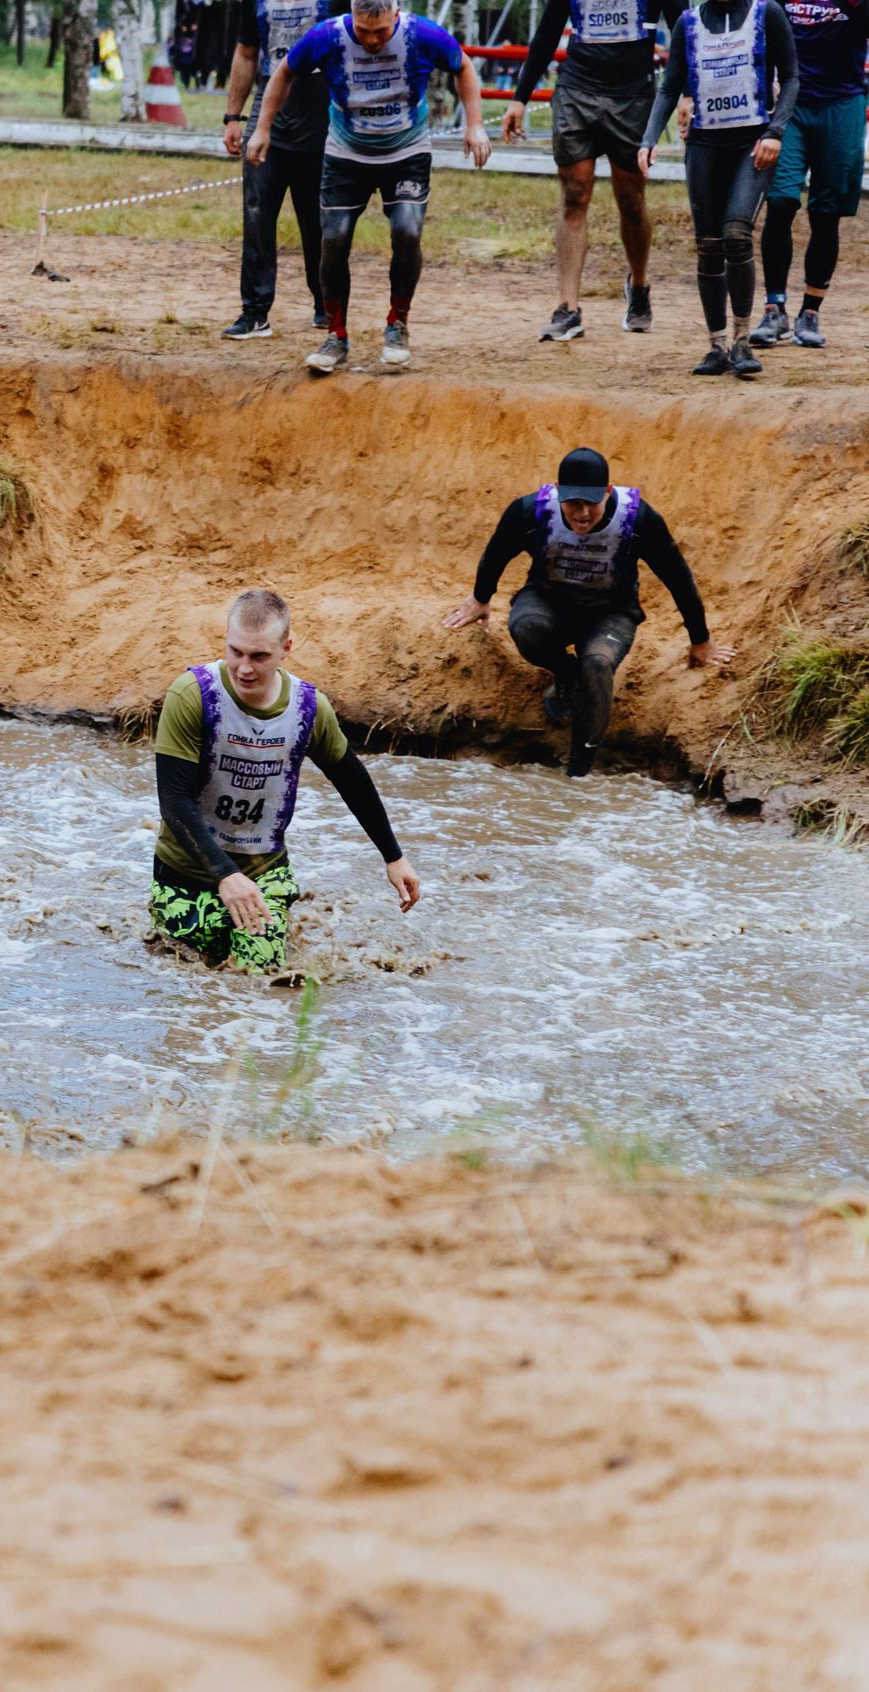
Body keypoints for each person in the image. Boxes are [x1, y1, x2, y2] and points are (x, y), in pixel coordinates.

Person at [150, 589, 420, 974]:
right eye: (235, 652)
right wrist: (225, 874)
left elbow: (350, 778)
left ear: (286, 648)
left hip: (264, 870)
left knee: (256, 979)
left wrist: (394, 856)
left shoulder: (308, 709)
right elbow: (173, 799)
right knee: (185, 976)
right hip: (185, 870)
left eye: (258, 656)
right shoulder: (192, 695)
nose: (244, 668)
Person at [444, 447, 736, 776]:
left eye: (592, 503)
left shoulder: (637, 519)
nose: (582, 513)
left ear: (609, 491)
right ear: (557, 489)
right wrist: (480, 598)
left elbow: (678, 577)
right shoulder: (531, 512)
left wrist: (701, 641)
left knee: (597, 663)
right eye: (573, 503)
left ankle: (577, 774)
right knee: (525, 628)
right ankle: (566, 674)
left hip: (611, 612)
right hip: (547, 601)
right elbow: (497, 550)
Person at [253, 0, 492, 374]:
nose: (372, 40)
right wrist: (262, 128)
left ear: (396, 14)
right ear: (352, 17)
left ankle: (398, 324)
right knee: (332, 239)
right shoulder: (328, 36)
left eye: (381, 31)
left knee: (407, 232)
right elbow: (284, 71)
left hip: (406, 150)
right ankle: (335, 336)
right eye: (363, 32)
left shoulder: (421, 34)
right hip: (347, 153)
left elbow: (463, 65)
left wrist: (474, 124)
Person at [503, 0, 681, 339]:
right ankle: (568, 308)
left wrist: (686, 94)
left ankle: (639, 285)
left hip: (633, 96)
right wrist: (519, 98)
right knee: (574, 194)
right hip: (576, 90)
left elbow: (685, 28)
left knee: (630, 199)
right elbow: (547, 31)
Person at [638, 0, 798, 375]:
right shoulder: (688, 23)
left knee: (737, 235)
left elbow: (791, 77)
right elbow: (669, 86)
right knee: (708, 246)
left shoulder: (767, 13)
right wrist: (648, 139)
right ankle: (716, 345)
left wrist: (776, 131)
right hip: (705, 146)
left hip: (752, 143)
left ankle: (742, 342)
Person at [221, 0, 340, 340]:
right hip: (269, 122)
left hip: (323, 120)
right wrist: (233, 116)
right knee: (257, 214)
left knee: (318, 219)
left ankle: (326, 302)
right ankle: (255, 312)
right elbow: (246, 53)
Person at [749, 0, 865, 347]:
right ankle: (775, 309)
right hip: (792, 104)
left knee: (826, 214)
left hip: (842, 101)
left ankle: (810, 313)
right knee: (781, 201)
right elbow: (764, 32)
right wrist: (767, 81)